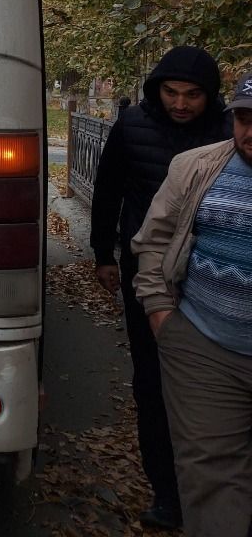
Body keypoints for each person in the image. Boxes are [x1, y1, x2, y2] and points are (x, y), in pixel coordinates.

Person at [89, 45, 230, 530]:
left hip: (210, 280)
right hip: (146, 275)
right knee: (153, 380)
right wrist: (103, 256)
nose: (181, 104)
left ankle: (209, 489)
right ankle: (166, 493)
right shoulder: (132, 126)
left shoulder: (230, 134)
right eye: (171, 92)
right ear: (157, 90)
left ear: (209, 96)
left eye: (193, 94)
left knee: (211, 388)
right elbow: (107, 191)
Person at [133, 70, 252, 537]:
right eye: (244, 118)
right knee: (211, 479)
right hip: (204, 351)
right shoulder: (197, 167)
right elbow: (154, 240)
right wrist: (163, 317)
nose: (250, 132)